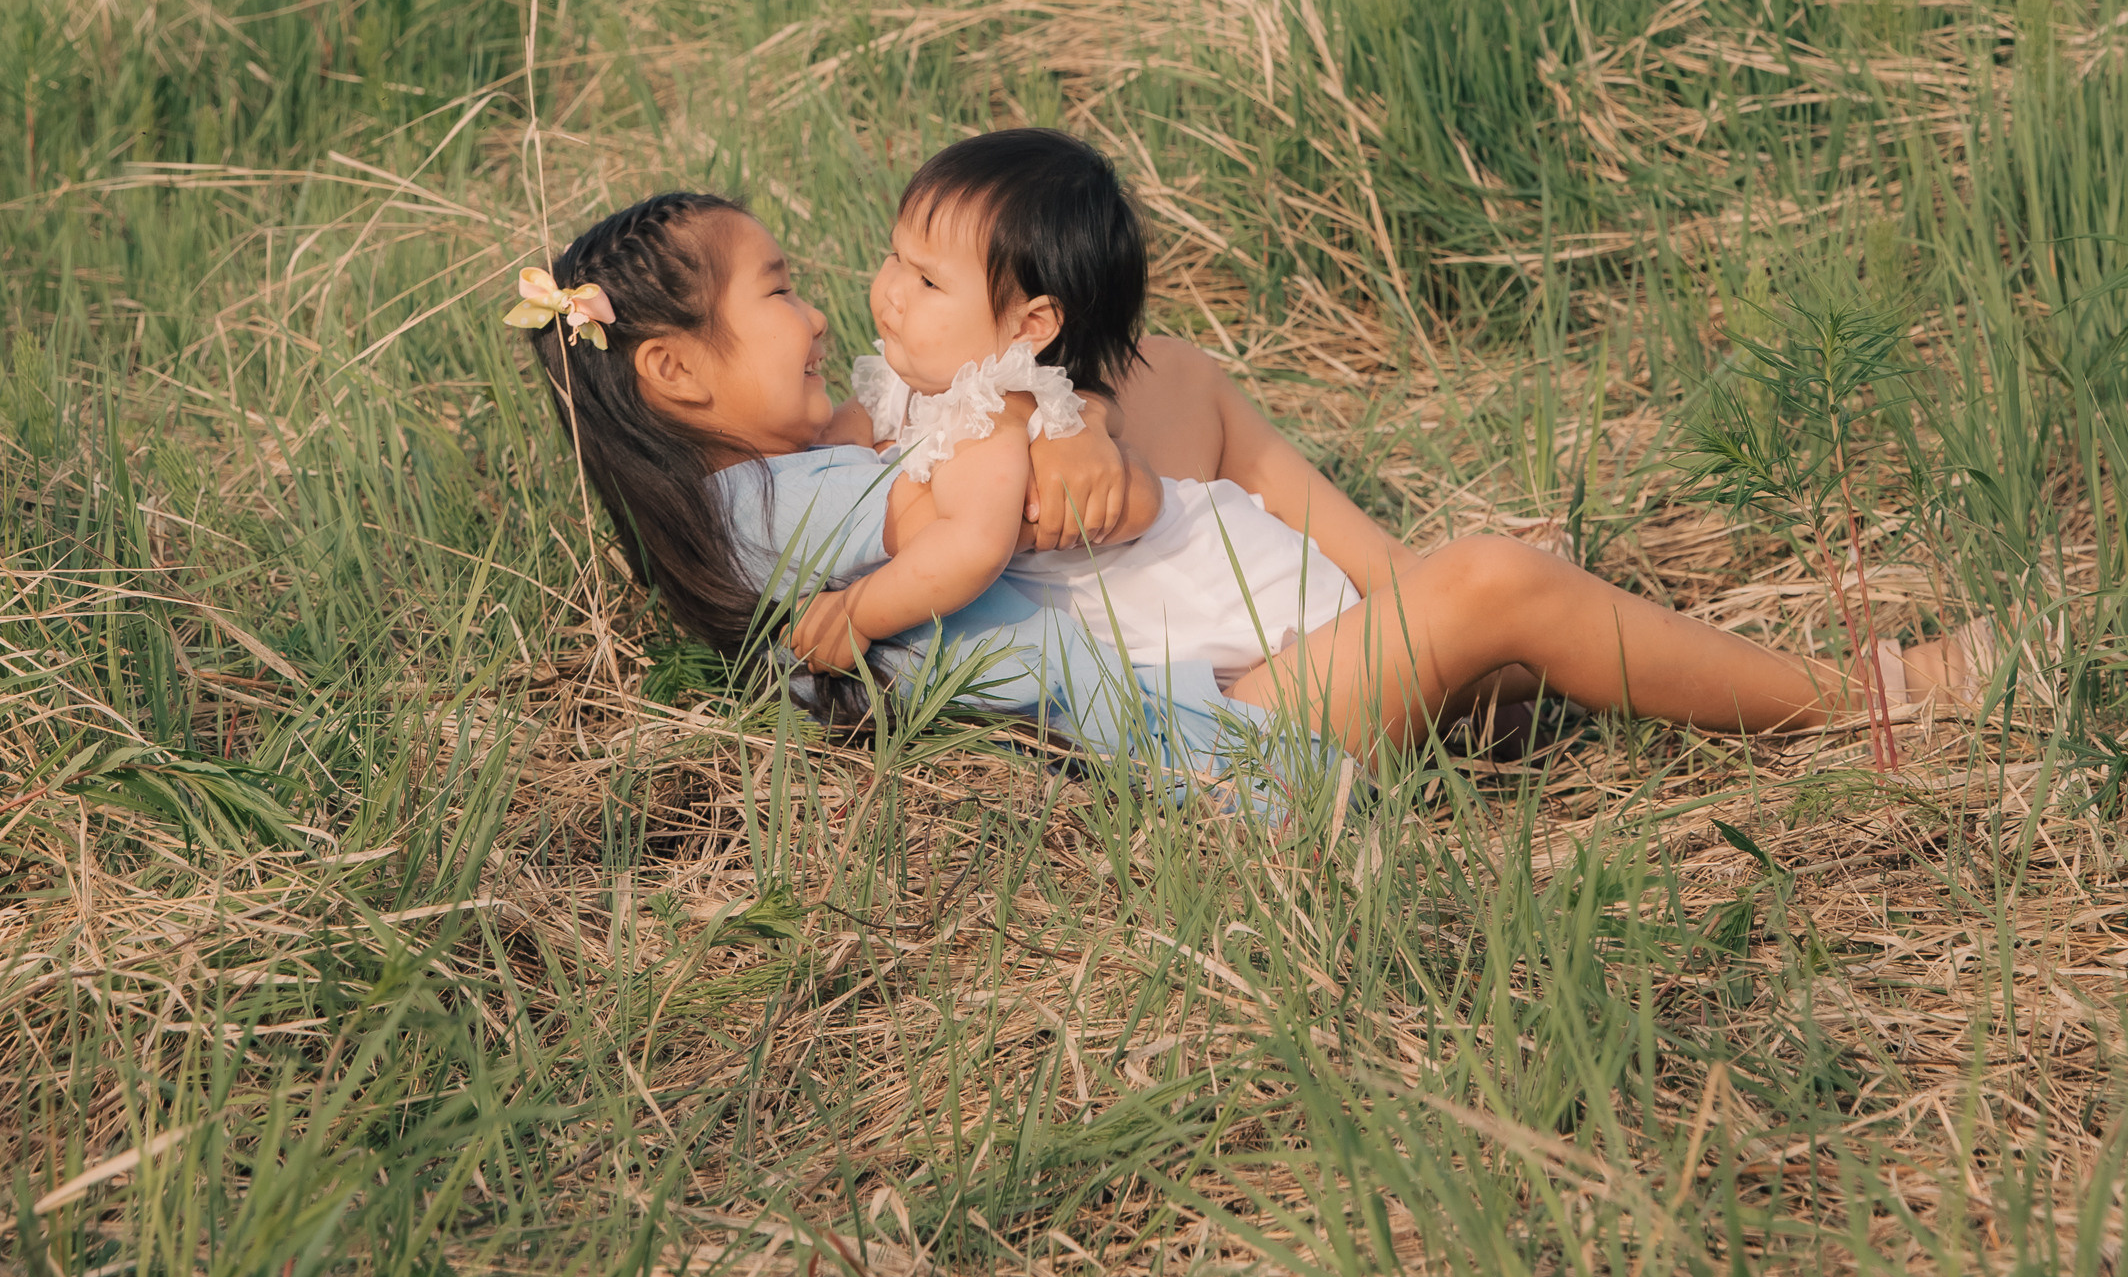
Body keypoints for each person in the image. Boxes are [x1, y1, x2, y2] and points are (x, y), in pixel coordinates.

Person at [515, 147, 1981, 779]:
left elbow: (977, 415)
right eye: (779, 291)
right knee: (1499, 583)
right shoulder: (773, 507)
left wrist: (1077, 415)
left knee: (1173, 374)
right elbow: (968, 507)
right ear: (679, 373)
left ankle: (1410, 619)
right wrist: (1044, 425)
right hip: (1203, 729)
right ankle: (1869, 702)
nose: (826, 307)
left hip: (1173, 649)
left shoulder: (792, 467)